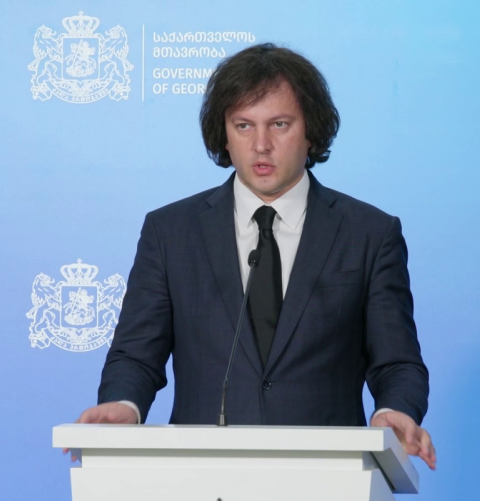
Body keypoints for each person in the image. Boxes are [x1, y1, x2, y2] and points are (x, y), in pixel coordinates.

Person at [74, 44, 435, 469]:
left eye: (279, 124)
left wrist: (394, 410)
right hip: (202, 478)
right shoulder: (170, 231)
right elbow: (136, 354)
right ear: (225, 135)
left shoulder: (369, 233)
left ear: (311, 131)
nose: (261, 145)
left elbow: (397, 363)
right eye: (243, 126)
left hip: (328, 477)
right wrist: (124, 403)